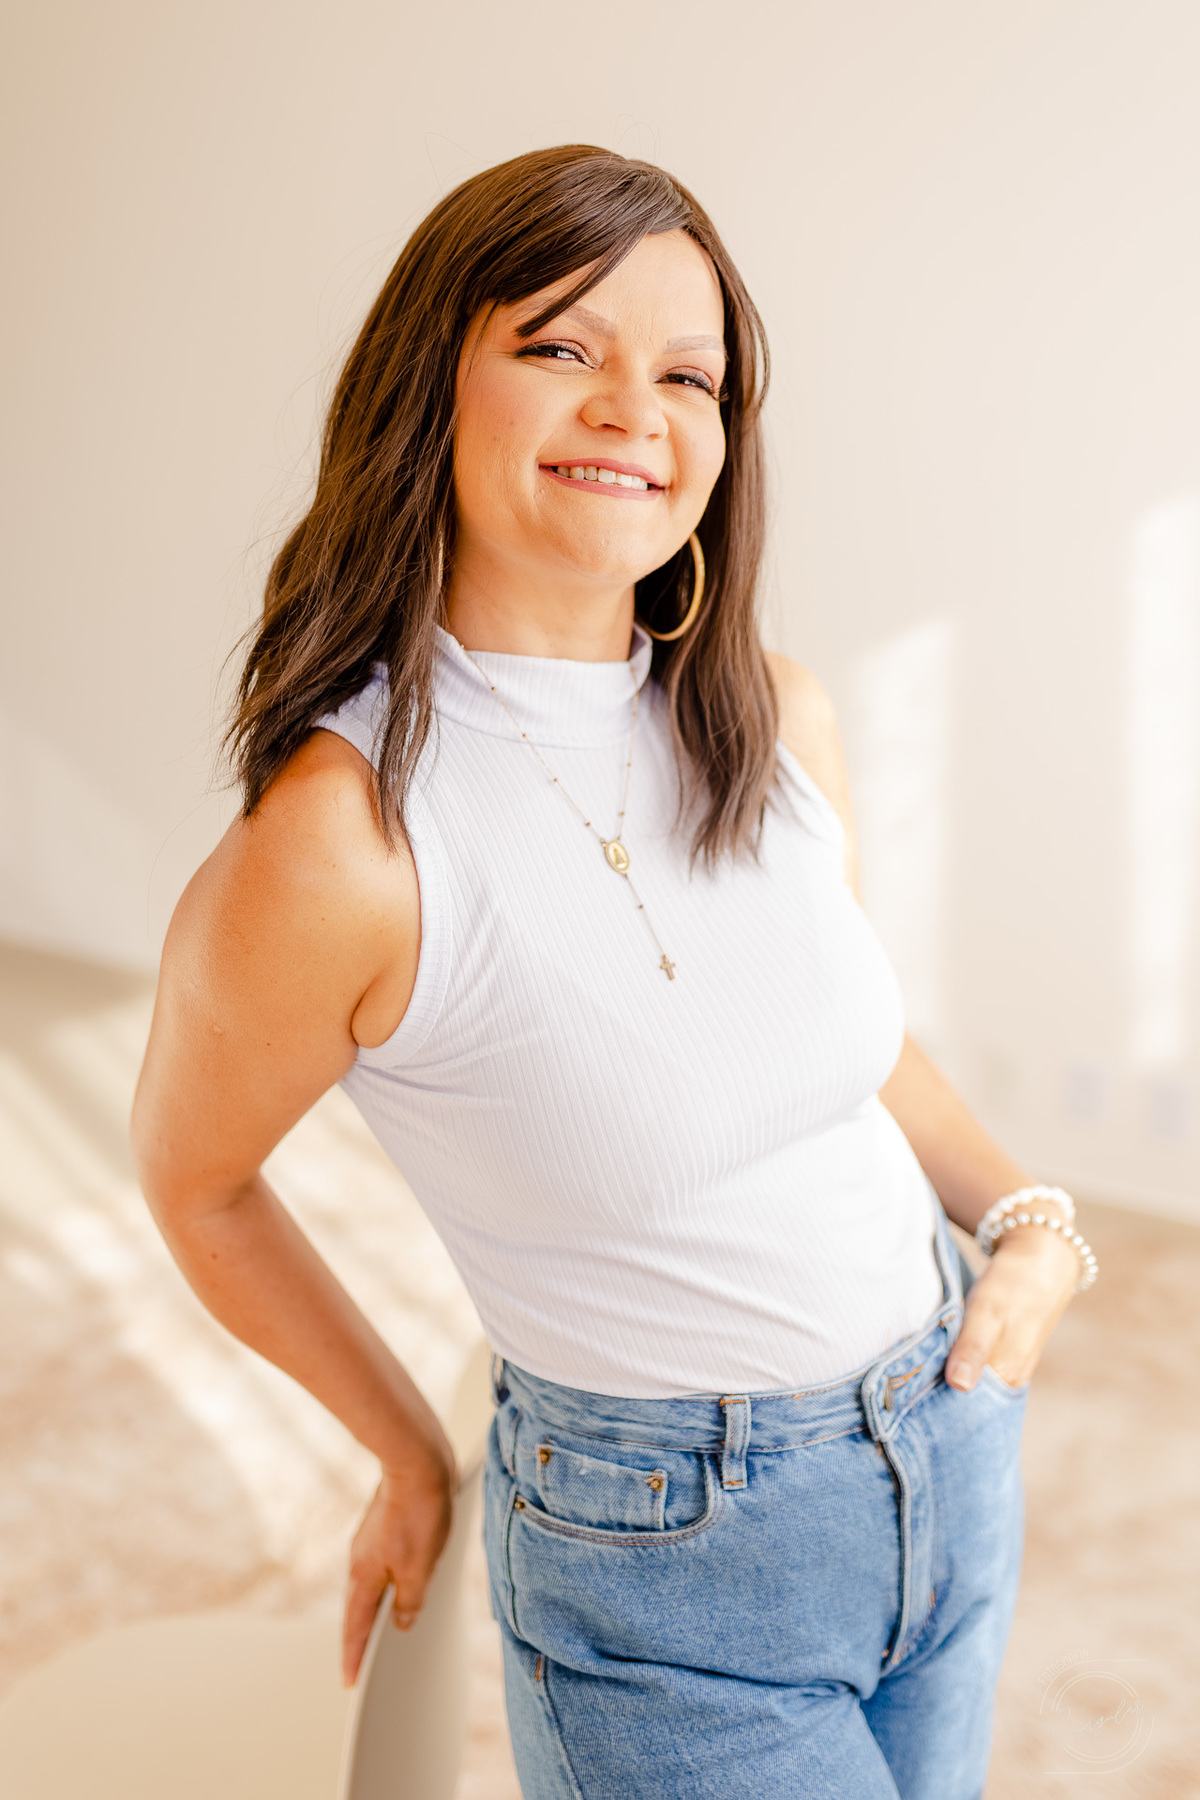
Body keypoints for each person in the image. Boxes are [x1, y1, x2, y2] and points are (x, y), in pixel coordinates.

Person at [131, 145, 1096, 1799]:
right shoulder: (343, 847)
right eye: (562, 346)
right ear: (427, 387)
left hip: (948, 1448)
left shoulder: (771, 717)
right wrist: (412, 1451)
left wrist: (1027, 1222)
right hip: (669, 1567)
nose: (633, 411)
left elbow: (847, 1048)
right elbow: (196, 1181)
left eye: (688, 376)